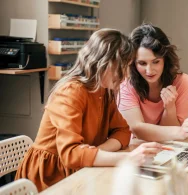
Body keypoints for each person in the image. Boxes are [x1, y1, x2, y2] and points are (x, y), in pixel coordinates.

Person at [15, 29, 162, 192]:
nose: (126, 75)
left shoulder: (104, 89)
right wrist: (127, 158)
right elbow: (71, 155)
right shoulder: (71, 91)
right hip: (49, 178)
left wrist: (96, 153)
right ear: (101, 62)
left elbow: (122, 131)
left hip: (79, 168)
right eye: (121, 67)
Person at [117, 24, 188, 142]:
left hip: (169, 147)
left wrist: (170, 108)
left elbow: (172, 135)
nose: (149, 70)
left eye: (156, 62)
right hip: (137, 147)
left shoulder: (182, 82)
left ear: (165, 59)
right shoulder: (126, 84)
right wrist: (180, 131)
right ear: (133, 63)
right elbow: (137, 129)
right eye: (142, 63)